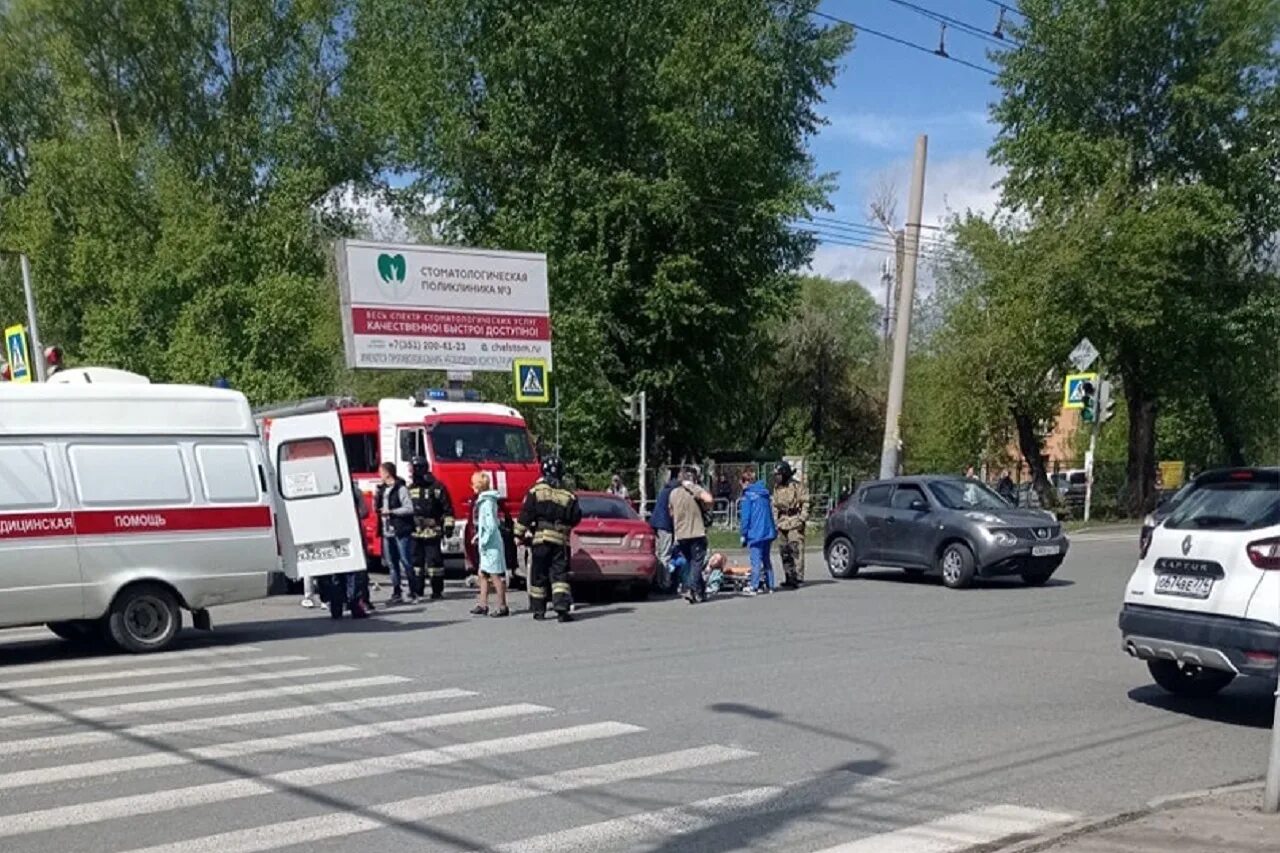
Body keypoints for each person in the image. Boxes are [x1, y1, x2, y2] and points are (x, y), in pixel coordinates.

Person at [515, 455, 581, 622]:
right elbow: (576, 517)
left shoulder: (536, 491)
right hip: (560, 541)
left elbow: (526, 514)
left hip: (540, 540)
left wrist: (518, 534)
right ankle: (561, 609)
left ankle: (539, 611)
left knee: (539, 575)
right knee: (559, 576)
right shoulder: (569, 495)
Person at [408, 456, 454, 600]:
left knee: (434, 563)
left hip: (432, 530)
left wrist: (448, 527)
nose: (412, 473)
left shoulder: (437, 488)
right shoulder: (410, 488)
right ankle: (417, 590)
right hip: (415, 532)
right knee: (416, 563)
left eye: (414, 469)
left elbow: (448, 510)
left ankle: (437, 590)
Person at [669, 468, 713, 604]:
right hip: (696, 532)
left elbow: (671, 512)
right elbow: (709, 499)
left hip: (681, 534)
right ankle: (690, 588)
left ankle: (700, 592)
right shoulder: (695, 490)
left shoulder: (673, 493)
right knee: (697, 562)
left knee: (693, 564)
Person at [375, 462, 416, 604]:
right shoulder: (381, 490)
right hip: (386, 532)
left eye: (381, 472)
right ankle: (396, 591)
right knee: (391, 563)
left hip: (400, 530)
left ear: (388, 473)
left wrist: (392, 512)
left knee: (405, 561)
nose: (379, 475)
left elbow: (409, 508)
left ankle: (413, 590)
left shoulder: (401, 489)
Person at [470, 472, 509, 617]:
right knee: (483, 574)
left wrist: (483, 540)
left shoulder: (486, 503)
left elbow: (491, 526)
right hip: (489, 543)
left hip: (491, 546)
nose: (472, 486)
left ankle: (502, 606)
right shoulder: (486, 501)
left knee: (495, 575)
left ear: (479, 486)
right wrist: (477, 536)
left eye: (473, 484)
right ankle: (483, 604)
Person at [738, 469, 777, 595]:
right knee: (766, 559)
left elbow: (745, 518)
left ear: (745, 482)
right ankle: (770, 585)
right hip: (768, 531)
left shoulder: (747, 496)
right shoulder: (764, 494)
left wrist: (743, 534)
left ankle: (754, 586)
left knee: (755, 560)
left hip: (755, 532)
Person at [772, 461, 808, 588]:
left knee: (795, 549)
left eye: (779, 475)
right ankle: (788, 576)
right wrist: (775, 521)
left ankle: (797, 577)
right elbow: (775, 506)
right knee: (784, 550)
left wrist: (802, 519)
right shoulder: (777, 488)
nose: (777, 477)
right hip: (782, 522)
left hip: (794, 520)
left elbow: (806, 503)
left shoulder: (797, 486)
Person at [649, 468, 681, 592]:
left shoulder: (665, 489)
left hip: (656, 523)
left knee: (658, 553)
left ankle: (656, 580)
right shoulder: (675, 491)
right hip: (665, 525)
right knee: (665, 555)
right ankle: (664, 583)